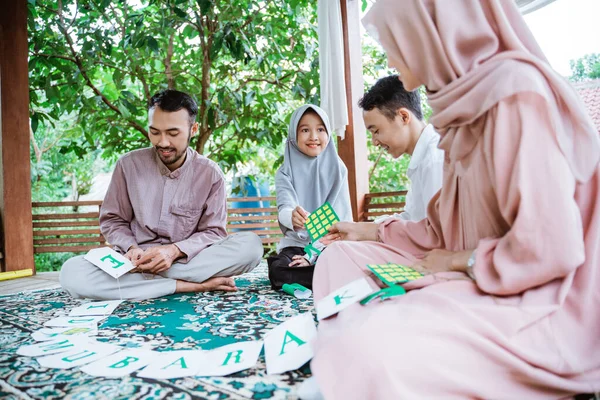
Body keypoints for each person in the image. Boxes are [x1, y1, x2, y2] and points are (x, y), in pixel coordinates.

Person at [307, 0, 600, 398]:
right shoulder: (458, 108)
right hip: (465, 266)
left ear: (431, 29)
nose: (390, 54)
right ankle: (388, 324)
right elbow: (439, 229)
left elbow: (550, 249)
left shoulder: (515, 93)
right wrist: (369, 233)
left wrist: (459, 261)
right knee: (340, 257)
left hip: (530, 294)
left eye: (395, 38)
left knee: (368, 349)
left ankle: (384, 330)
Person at [60, 89, 263, 300]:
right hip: (133, 261)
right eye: (155, 132)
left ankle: (142, 283)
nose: (163, 142)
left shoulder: (210, 174)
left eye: (173, 133)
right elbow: (112, 221)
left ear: (193, 129)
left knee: (251, 247)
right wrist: (131, 247)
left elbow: (213, 232)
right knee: (71, 273)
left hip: (185, 260)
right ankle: (188, 286)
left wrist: (173, 251)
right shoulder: (128, 165)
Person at [267, 105, 352, 290]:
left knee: (344, 259)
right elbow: (285, 207)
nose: (313, 136)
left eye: (320, 129)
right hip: (296, 245)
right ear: (293, 134)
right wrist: (292, 217)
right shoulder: (284, 172)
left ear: (328, 133)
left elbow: (338, 226)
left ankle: (316, 272)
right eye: (305, 130)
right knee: (278, 270)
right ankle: (327, 276)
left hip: (329, 245)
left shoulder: (338, 170)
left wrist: (311, 256)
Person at [360, 75, 443, 222]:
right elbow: (410, 218)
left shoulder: (435, 160)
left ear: (404, 117)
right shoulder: (422, 158)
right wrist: (362, 229)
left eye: (376, 131)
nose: (374, 142)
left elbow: (437, 233)